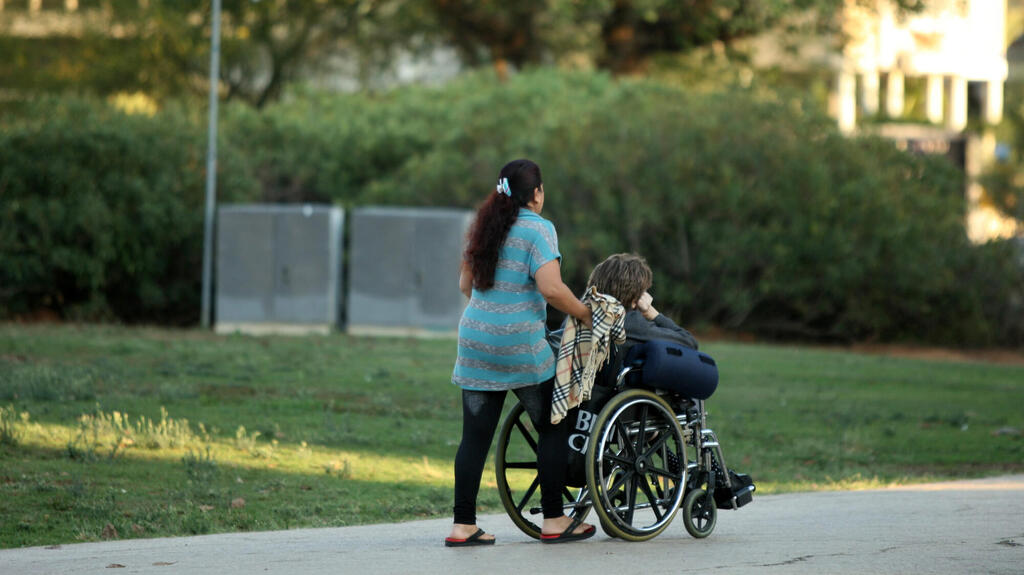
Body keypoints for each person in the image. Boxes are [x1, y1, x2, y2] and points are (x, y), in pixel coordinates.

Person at [446, 159, 596, 547]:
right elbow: (551, 289)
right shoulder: (539, 229)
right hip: (520, 347)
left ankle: (463, 525)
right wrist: (584, 312)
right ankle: (553, 519)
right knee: (551, 425)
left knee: (474, 438)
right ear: (537, 194)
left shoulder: (482, 226)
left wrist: (491, 312)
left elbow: (466, 284)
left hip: (475, 340)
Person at [586, 253, 698, 352]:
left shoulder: (586, 313)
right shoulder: (630, 322)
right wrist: (653, 313)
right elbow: (689, 342)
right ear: (636, 298)